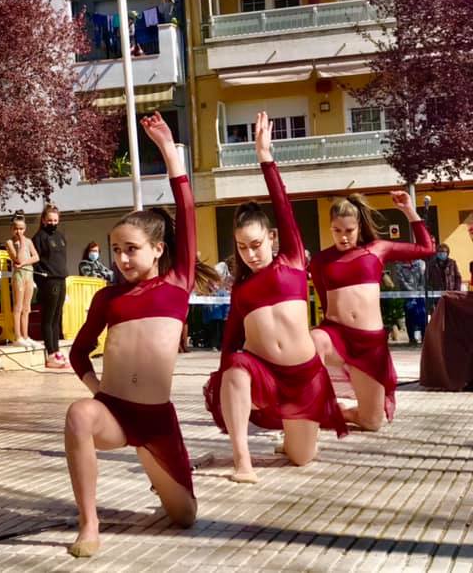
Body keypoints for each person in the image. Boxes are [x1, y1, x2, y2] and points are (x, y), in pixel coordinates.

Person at [64, 112, 219, 558]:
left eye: (130, 249)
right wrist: (99, 392)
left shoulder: (177, 283)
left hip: (157, 420)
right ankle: (89, 522)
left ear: (158, 249)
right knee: (78, 415)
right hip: (114, 413)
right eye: (116, 250)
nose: (122, 259)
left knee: (185, 517)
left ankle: (155, 466)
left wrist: (169, 151)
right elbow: (78, 354)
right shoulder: (107, 298)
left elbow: (187, 211)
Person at [204, 112, 348, 484]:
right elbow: (230, 341)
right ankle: (242, 462)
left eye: (255, 244)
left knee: (302, 458)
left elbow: (282, 205)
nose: (250, 253)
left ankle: (291, 440)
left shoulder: (293, 260)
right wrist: (222, 382)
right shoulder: (242, 289)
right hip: (264, 374)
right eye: (241, 247)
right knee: (235, 365)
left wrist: (265, 157)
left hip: (303, 377)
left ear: (271, 238)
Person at [309, 193, 434, 431]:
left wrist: (409, 210)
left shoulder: (377, 249)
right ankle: (305, 413)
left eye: (349, 230)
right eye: (337, 230)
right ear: (330, 228)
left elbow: (427, 249)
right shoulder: (321, 261)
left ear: (358, 227)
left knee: (372, 422)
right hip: (337, 335)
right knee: (314, 340)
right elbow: (325, 302)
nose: (343, 237)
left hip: (370, 345)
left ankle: (341, 411)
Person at [32, 203, 69, 369]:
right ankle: (50, 353)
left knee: (57, 317)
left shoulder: (60, 236)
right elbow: (35, 262)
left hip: (61, 278)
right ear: (43, 220)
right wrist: (42, 280)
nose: (53, 223)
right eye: (50, 220)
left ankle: (57, 350)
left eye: (55, 220)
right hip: (49, 280)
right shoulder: (39, 238)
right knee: (48, 317)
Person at [5, 211, 39, 348]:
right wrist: (21, 244)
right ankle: (17, 336)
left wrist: (25, 263)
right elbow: (17, 258)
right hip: (18, 276)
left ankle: (25, 335)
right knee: (18, 306)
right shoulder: (10, 242)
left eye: (21, 229)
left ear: (25, 229)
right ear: (12, 229)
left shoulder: (29, 241)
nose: (19, 231)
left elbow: (36, 257)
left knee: (27, 307)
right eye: (16, 228)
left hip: (28, 274)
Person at [395, 258, 427, 344]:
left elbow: (422, 279)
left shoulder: (419, 263)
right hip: (407, 296)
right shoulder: (399, 266)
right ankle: (412, 338)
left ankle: (424, 337)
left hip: (419, 295)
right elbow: (401, 281)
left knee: (423, 315)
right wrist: (411, 291)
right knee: (409, 316)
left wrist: (419, 290)